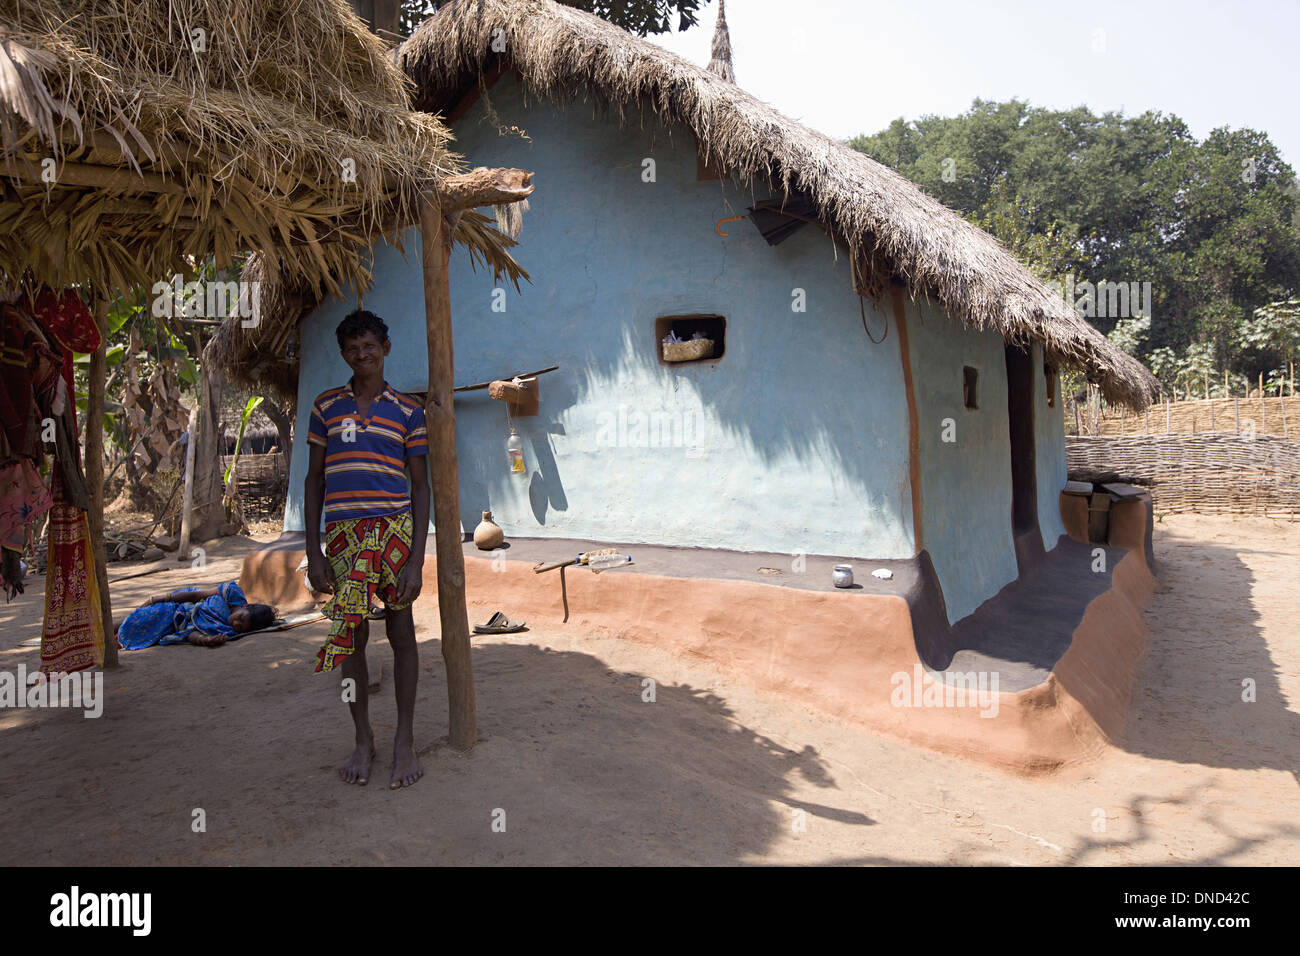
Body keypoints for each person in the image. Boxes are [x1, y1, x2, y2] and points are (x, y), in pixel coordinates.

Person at [305, 309, 429, 790]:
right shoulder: (325, 408)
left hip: (394, 534)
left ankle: (405, 740)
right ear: (344, 355)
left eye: (370, 346)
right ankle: (362, 739)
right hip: (343, 538)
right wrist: (315, 551)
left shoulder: (408, 412)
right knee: (351, 639)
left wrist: (416, 559)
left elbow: (420, 488)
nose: (363, 355)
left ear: (386, 349)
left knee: (401, 634)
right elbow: (314, 479)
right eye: (353, 349)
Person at [116, 581, 277, 649]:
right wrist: (158, 598)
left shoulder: (227, 631)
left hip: (176, 625)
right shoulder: (232, 593)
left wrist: (206, 640)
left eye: (241, 627)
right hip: (176, 606)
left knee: (135, 634)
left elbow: (190, 632)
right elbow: (195, 596)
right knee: (138, 618)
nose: (236, 623)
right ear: (247, 606)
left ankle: (112, 641)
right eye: (240, 618)